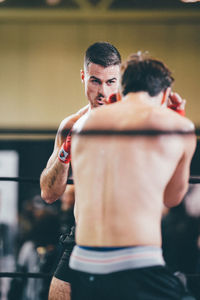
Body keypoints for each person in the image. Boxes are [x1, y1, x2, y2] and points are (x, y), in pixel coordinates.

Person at [69, 52, 197, 299]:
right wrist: (177, 120)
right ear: (166, 93)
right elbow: (172, 199)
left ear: (122, 88)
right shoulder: (178, 127)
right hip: (135, 266)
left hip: (82, 265)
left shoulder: (82, 124)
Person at [40, 41, 122, 300]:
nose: (103, 91)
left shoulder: (134, 124)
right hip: (81, 237)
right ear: (83, 76)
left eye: (111, 82)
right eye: (95, 81)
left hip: (126, 239)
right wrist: (66, 151)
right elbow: (49, 193)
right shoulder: (72, 125)